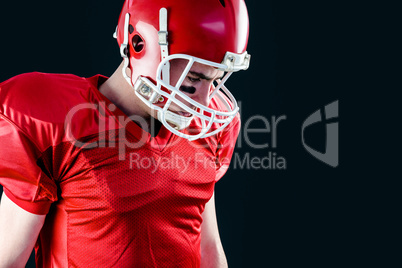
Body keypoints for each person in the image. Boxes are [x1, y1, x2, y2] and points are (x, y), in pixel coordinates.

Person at [0, 0, 250, 267]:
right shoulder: (59, 124)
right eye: (193, 80)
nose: (203, 102)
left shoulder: (205, 131)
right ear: (139, 45)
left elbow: (208, 249)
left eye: (215, 80)